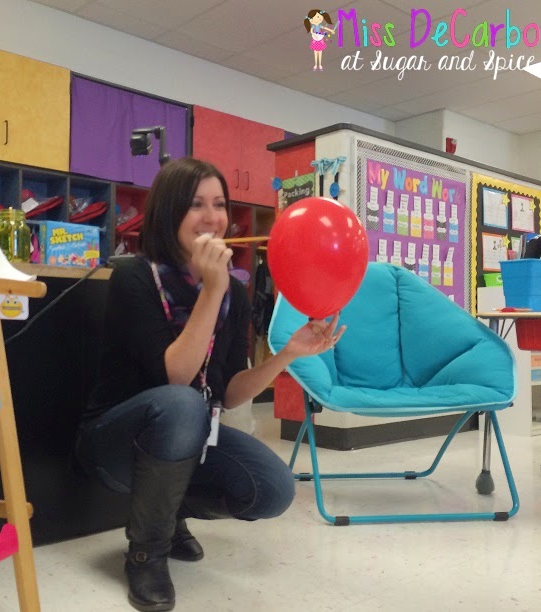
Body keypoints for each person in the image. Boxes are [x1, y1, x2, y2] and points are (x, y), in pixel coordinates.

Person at [76, 157, 345, 612]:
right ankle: (147, 552)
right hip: (115, 448)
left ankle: (171, 511)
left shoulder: (233, 294)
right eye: (195, 204)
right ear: (167, 213)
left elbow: (229, 391)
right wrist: (212, 290)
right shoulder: (136, 278)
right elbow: (177, 376)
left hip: (189, 437)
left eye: (219, 204)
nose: (212, 217)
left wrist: (286, 355)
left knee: (272, 488)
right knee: (181, 404)